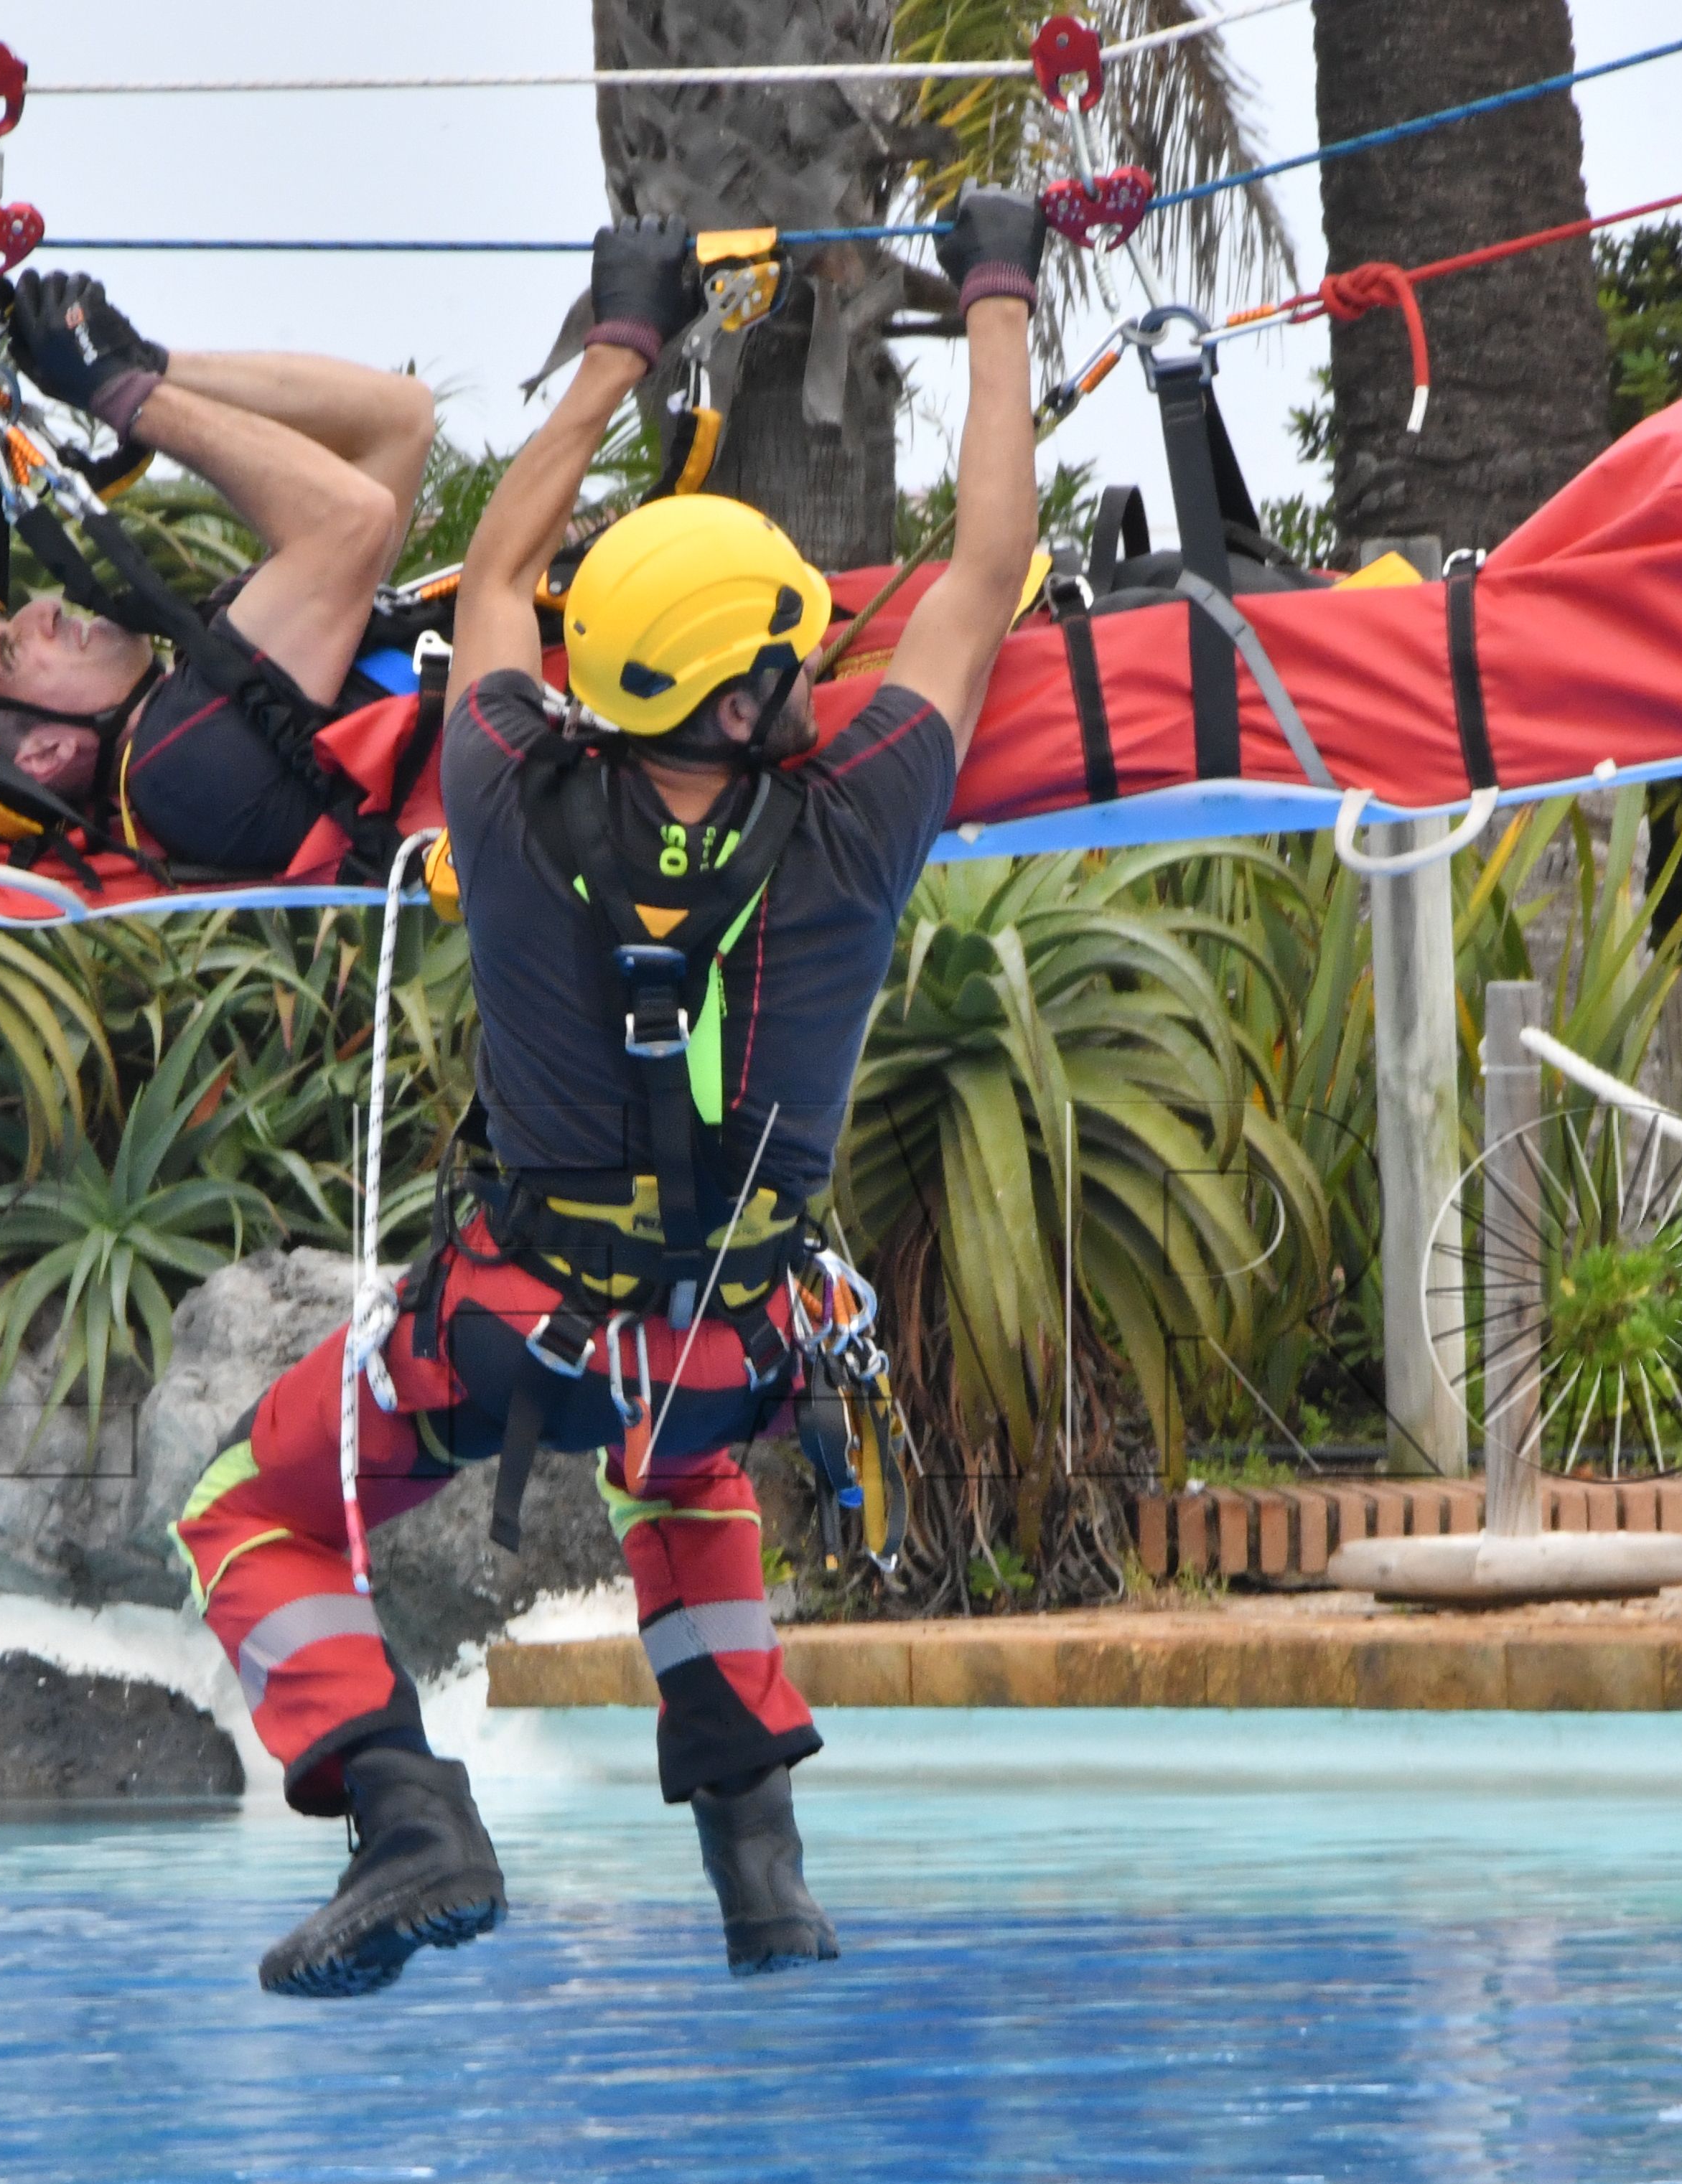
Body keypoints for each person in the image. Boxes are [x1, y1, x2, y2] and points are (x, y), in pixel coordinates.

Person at [174, 191, 1049, 1997]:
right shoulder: (864, 810)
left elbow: (496, 574)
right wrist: (992, 286)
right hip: (728, 1343)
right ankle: (762, 1881)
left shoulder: (497, 784)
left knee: (239, 1509)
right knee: (687, 1465)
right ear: (750, 695)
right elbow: (985, 561)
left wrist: (618, 344)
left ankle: (406, 1810)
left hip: (510, 1334)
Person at [0, 273, 440, 876]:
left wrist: (146, 363)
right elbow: (354, 518)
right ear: (45, 753)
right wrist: (124, 397)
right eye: (12, 651)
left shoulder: (204, 686)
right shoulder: (180, 761)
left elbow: (400, 421)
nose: (44, 611)